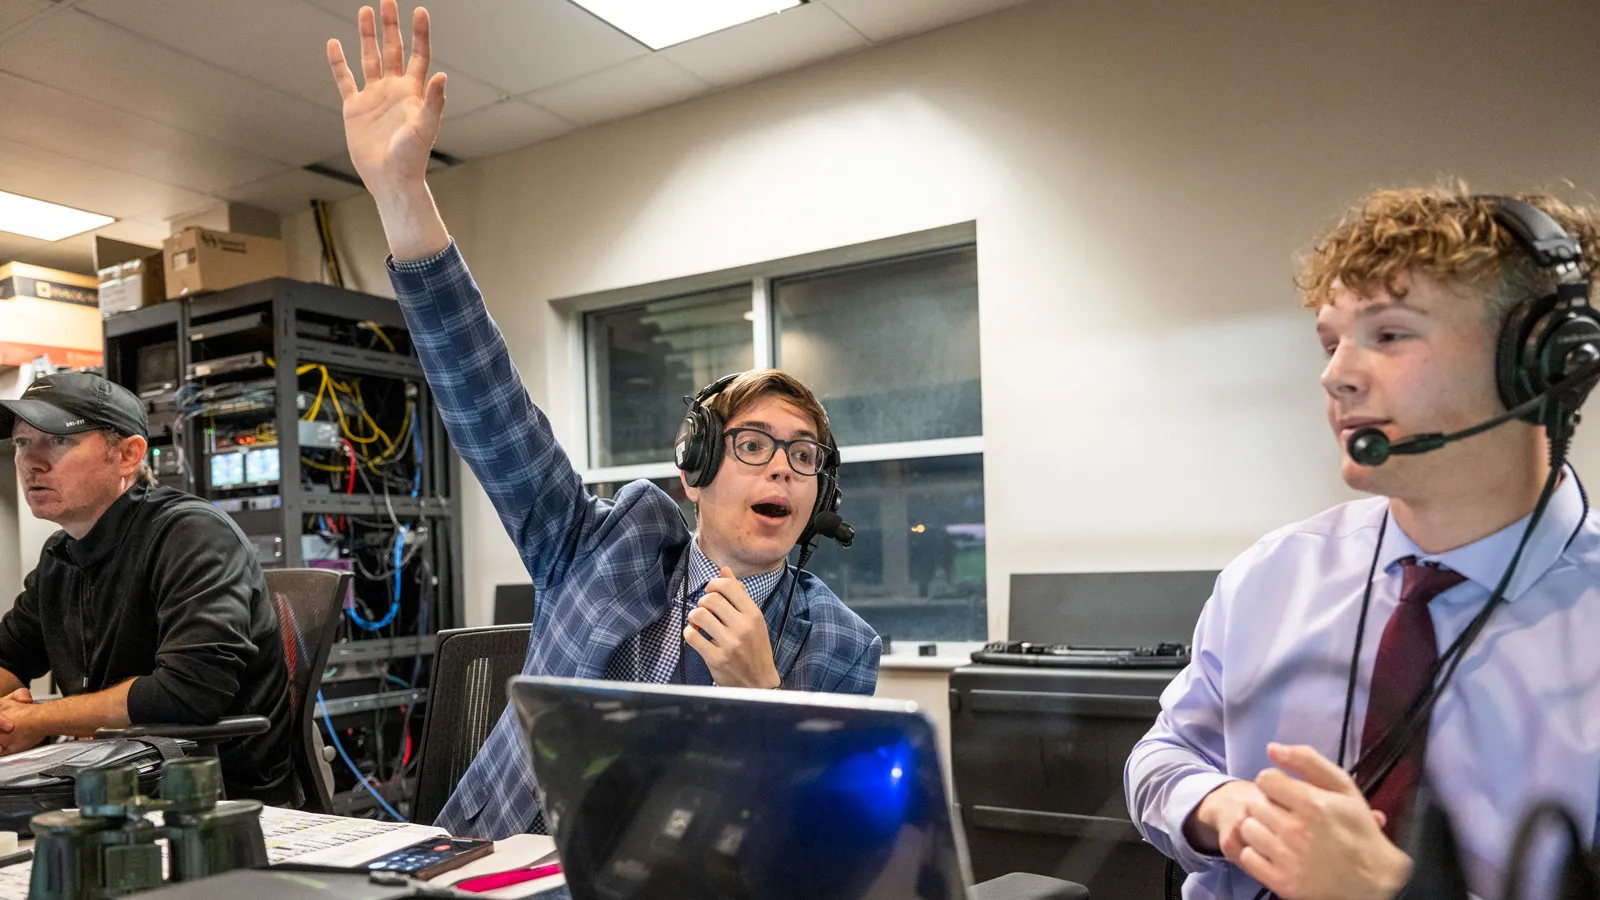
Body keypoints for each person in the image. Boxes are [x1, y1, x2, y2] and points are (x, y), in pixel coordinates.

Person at [324, 0, 882, 839]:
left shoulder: (839, 646)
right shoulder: (592, 545)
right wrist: (403, 195)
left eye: (805, 459)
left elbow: (826, 843)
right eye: (756, 445)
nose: (782, 470)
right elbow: (487, 401)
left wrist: (765, 703)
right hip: (504, 860)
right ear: (693, 466)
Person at [1125, 186, 1600, 900]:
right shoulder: (1271, 576)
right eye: (1332, 341)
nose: (1336, 374)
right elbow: (1164, 755)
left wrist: (1390, 891)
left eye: (1390, 334)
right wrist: (1223, 810)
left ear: (1538, 362)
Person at [0, 372, 299, 805]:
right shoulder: (60, 557)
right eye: (22, 443)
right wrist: (13, 720)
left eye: (59, 441)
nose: (31, 462)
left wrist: (39, 718)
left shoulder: (192, 535)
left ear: (128, 454)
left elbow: (188, 692)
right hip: (111, 784)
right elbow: (9, 656)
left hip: (214, 802)